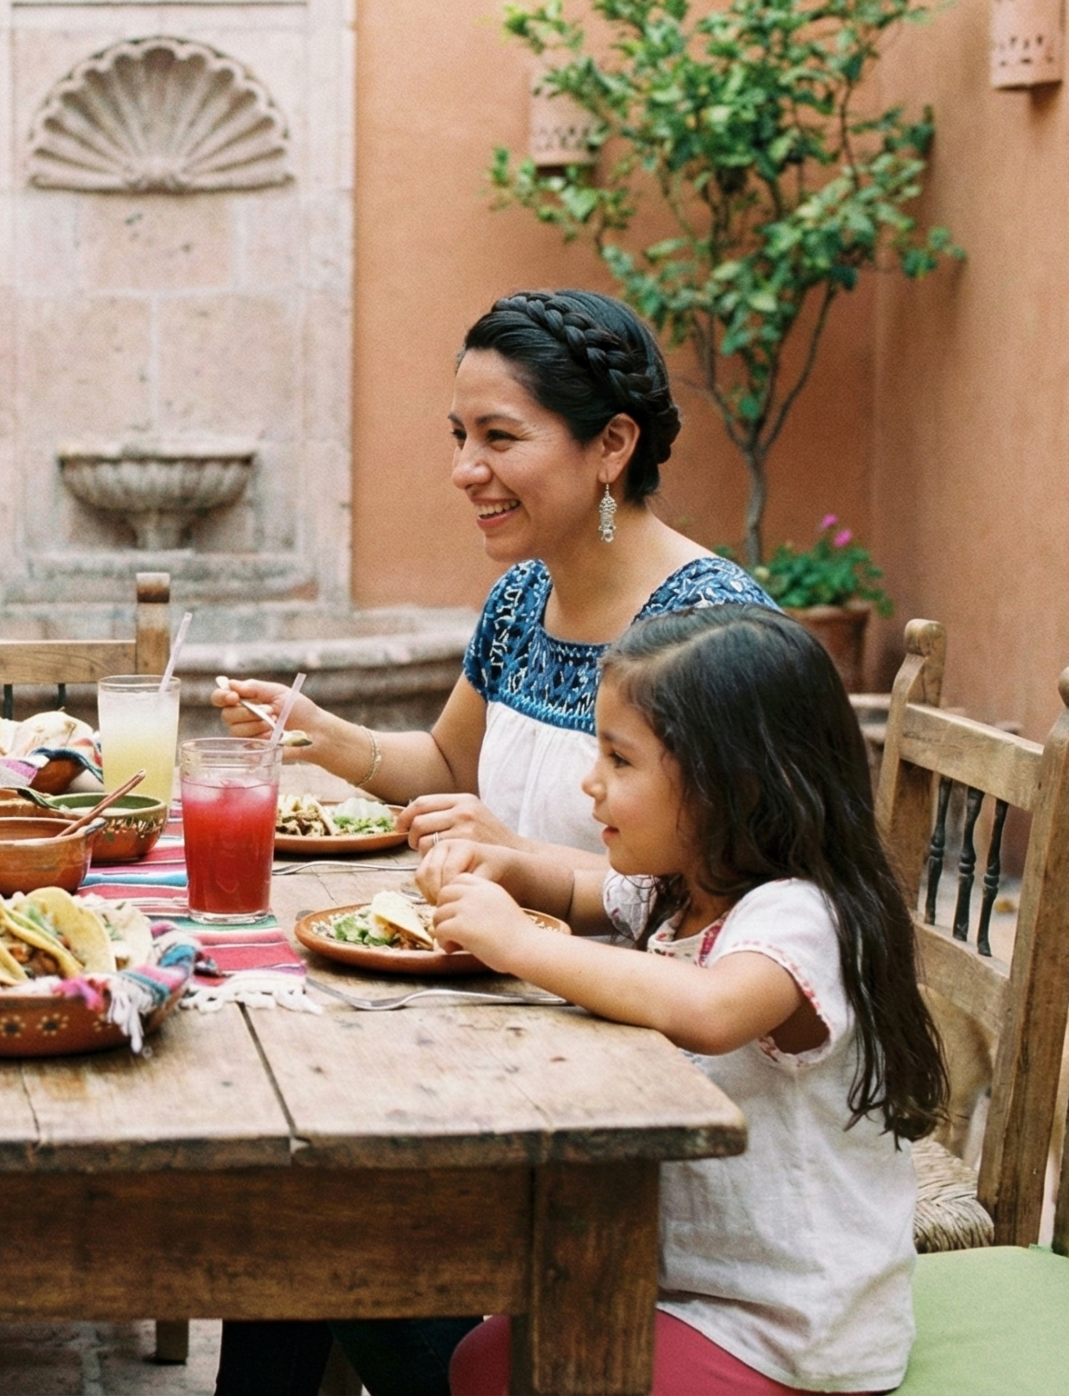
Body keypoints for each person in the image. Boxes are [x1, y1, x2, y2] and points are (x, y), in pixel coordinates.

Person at [420, 605, 941, 1394]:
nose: (590, 781)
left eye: (620, 761)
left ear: (731, 785)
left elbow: (712, 1007)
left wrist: (523, 944)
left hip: (789, 1332)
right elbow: (574, 886)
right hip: (685, 1283)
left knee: (503, 1369)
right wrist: (505, 871)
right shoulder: (684, 889)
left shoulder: (801, 916)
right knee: (481, 1356)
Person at [212, 289, 775, 861]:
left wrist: (518, 857)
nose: (464, 471)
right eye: (461, 436)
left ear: (612, 444)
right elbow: (454, 767)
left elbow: (733, 887)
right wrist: (318, 732)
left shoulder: (714, 630)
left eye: (499, 436)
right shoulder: (521, 598)